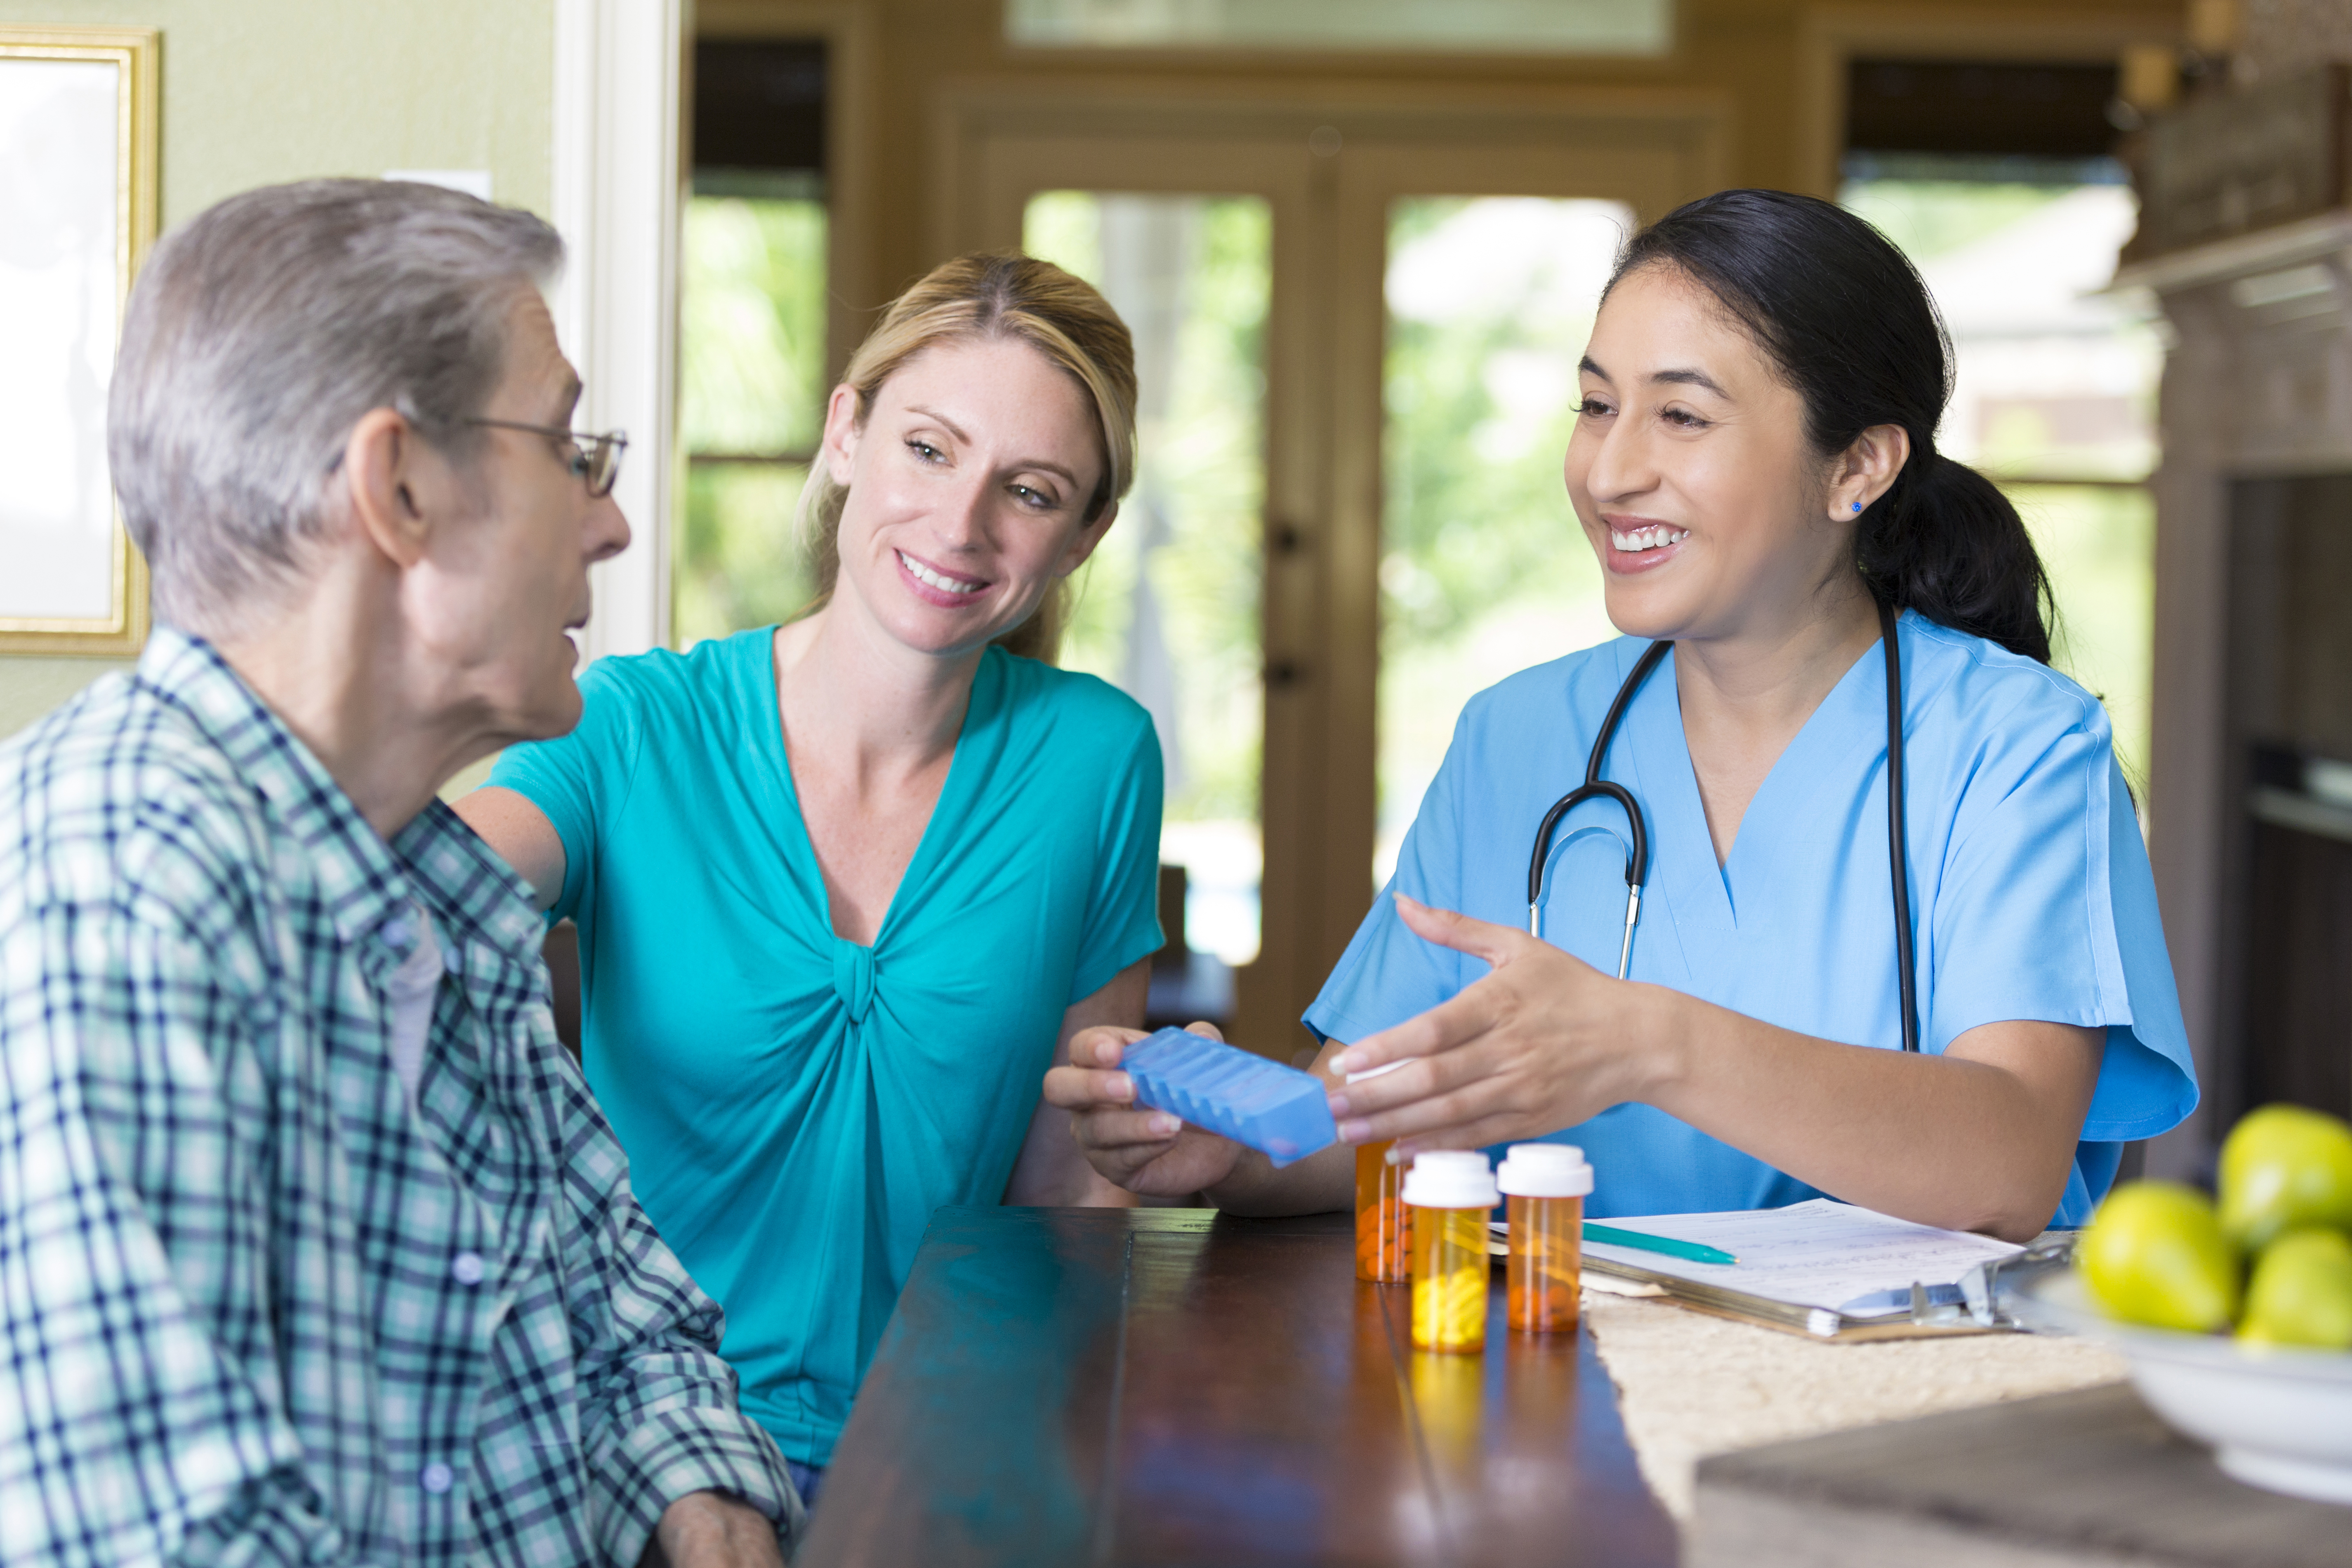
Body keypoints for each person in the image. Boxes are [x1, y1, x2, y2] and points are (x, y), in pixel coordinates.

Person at [1047, 189, 2197, 1242]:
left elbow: (2008, 1161)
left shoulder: (2020, 748)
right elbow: (1391, 1105)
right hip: (1554, 1390)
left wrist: (1652, 1043)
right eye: (1597, 406)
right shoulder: (1517, 739)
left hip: (1882, 1417)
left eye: (1683, 418)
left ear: (1858, 466)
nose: (1609, 470)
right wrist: (1234, 1151)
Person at [0, 180, 797, 1567]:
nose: (610, 523)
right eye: (569, 447)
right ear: (400, 488)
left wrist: (695, 1492)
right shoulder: (118, 890)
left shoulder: (438, 896)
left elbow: (628, 1309)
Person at [457, 252, 1162, 1500]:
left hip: (953, 1453)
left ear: (1086, 532)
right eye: (929, 449)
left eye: (1032, 489)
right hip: (642, 1458)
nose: (960, 523)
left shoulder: (1096, 758)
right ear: (846, 434)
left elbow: (1073, 1179)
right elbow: (421, 891)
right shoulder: (631, 726)